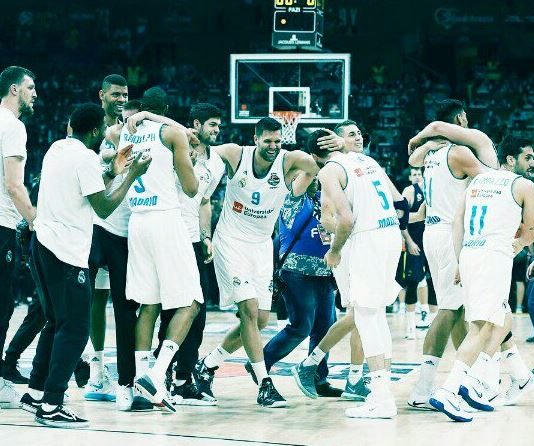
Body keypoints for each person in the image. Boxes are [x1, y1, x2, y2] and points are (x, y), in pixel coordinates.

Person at [22, 103, 150, 427]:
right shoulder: (86, 158)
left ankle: (35, 392)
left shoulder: (56, 149)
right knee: (76, 330)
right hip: (65, 253)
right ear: (95, 131)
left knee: (55, 322)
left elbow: (85, 188)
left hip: (42, 244)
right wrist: (131, 175)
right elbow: (103, 207)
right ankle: (51, 404)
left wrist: (113, 171)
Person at [194, 117, 335, 407]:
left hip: (261, 246)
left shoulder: (290, 160)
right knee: (248, 310)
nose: (273, 146)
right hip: (231, 241)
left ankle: (207, 365)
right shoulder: (236, 154)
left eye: (277, 141)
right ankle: (264, 384)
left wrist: (339, 147)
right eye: (267, 141)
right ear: (255, 138)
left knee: (258, 321)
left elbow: (327, 167)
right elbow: (200, 147)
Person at [296, 129, 403, 419]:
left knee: (365, 316)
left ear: (314, 156)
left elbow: (345, 220)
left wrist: (334, 251)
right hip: (390, 234)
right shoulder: (367, 160)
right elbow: (398, 203)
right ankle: (381, 392)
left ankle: (381, 398)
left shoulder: (329, 170)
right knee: (376, 315)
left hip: (366, 238)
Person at [429, 135, 534, 421]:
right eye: (528, 157)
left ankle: (517, 376)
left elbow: (458, 223)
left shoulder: (477, 181)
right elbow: (531, 230)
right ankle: (451, 389)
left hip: (469, 253)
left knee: (501, 317)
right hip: (493, 257)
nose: (532, 163)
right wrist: (517, 245)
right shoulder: (524, 186)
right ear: (510, 159)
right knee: (482, 327)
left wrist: (460, 259)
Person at [407, 99, 498, 410]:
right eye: (466, 118)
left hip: (433, 232)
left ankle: (464, 382)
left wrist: (424, 142)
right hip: (451, 234)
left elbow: (413, 159)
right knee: (449, 308)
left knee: (457, 308)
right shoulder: (459, 152)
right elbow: (491, 180)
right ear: (459, 119)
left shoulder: (431, 155)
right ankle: (423, 387)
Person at [121, 87, 202, 413]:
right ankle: (156, 374)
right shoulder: (171, 133)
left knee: (149, 304)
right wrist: (188, 162)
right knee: (192, 302)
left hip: (137, 222)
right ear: (166, 108)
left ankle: (140, 383)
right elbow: (192, 188)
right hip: (165, 220)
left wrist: (144, 116)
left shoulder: (124, 132)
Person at [153, 102, 225, 406]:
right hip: (169, 234)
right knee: (172, 309)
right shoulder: (174, 146)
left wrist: (206, 237)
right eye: (212, 124)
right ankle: (163, 376)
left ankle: (183, 378)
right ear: (196, 124)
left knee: (199, 311)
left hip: (194, 240)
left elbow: (205, 201)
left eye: (219, 125)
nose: (217, 130)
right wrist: (145, 114)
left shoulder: (217, 163)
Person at [249, 174, 342, 397]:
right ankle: (261, 363)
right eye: (307, 176)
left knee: (325, 327)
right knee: (301, 326)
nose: (313, 179)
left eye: (316, 177)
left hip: (324, 272)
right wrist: (313, 165)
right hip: (297, 272)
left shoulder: (323, 199)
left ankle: (318, 377)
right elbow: (305, 177)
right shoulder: (292, 199)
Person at [84, 74, 130, 406]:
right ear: (102, 95)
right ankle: (96, 371)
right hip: (95, 224)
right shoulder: (90, 129)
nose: (121, 99)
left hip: (126, 225)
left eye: (125, 95)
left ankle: (128, 374)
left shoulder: (134, 129)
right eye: (115, 94)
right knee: (93, 300)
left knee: (126, 303)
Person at [0, 66, 37, 408]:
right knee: (2, 304)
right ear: (14, 89)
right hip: (1, 225)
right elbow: (13, 185)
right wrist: (35, 220)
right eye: (30, 87)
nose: (35, 93)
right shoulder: (13, 126)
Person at [400, 167, 435, 338]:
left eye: (419, 174)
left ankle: (431, 319)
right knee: (413, 282)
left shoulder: (435, 189)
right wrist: (409, 241)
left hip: (432, 241)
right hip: (415, 243)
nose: (417, 176)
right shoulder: (410, 191)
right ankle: (410, 327)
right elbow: (402, 219)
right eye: (414, 174)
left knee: (432, 281)